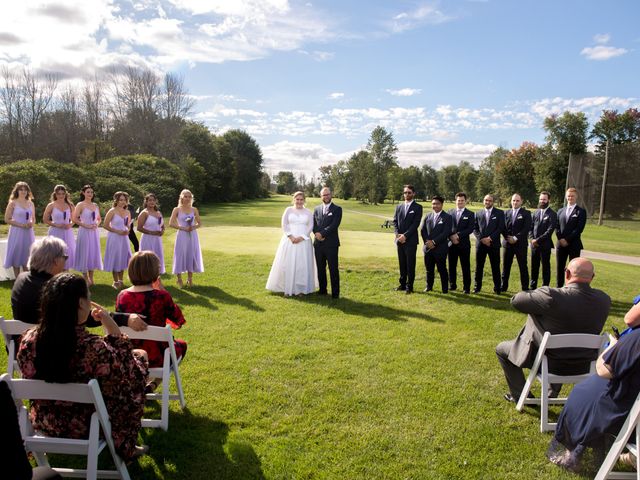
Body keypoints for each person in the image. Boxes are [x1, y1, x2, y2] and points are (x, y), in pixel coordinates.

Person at [17, 273, 149, 461]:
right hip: (89, 427)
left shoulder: (28, 341)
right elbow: (127, 378)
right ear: (80, 303)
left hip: (45, 423)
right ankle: (125, 444)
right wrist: (113, 332)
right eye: (88, 296)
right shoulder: (94, 348)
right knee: (137, 367)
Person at [496, 258, 611, 403]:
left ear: (567, 273)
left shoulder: (550, 296)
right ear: (592, 277)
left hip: (549, 363)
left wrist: (540, 292)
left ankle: (520, 395)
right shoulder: (604, 300)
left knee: (501, 349)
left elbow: (516, 300)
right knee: (559, 338)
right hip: (584, 364)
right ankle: (551, 392)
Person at [547, 302, 640, 472]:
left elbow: (603, 370)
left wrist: (612, 348)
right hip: (626, 404)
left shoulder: (637, 339)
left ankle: (576, 454)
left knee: (583, 400)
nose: (634, 306)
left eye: (637, 303)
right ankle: (630, 457)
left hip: (622, 413)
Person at [11, 237, 147, 330]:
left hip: (22, 350)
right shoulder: (54, 289)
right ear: (55, 261)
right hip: (50, 353)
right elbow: (85, 317)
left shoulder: (22, 278)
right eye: (65, 257)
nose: (66, 262)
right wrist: (125, 319)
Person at [116, 251, 187, 380]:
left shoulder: (122, 296)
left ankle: (147, 385)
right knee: (181, 345)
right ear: (155, 272)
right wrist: (163, 290)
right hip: (158, 358)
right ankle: (152, 385)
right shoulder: (161, 296)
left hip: (131, 354)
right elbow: (179, 321)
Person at [266, 191, 317, 296]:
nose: (299, 201)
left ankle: (301, 289)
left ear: (304, 200)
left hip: (304, 242)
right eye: (297, 199)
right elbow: (284, 224)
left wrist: (301, 237)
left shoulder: (308, 212)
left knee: (301, 266)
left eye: (301, 199)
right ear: (294, 199)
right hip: (289, 241)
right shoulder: (288, 210)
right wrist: (291, 236)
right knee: (287, 264)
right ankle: (286, 288)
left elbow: (310, 226)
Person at [169, 189, 203, 288]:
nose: (187, 198)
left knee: (191, 254)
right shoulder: (177, 209)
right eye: (186, 196)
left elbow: (199, 223)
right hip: (182, 235)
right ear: (181, 198)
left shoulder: (194, 209)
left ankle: (190, 279)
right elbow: (171, 223)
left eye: (189, 197)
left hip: (192, 235)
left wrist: (193, 227)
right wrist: (183, 228)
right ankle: (179, 279)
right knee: (180, 254)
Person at [392, 184, 423, 294]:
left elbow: (415, 224)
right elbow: (395, 222)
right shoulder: (399, 207)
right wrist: (397, 235)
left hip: (410, 241)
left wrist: (405, 235)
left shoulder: (418, 207)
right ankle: (402, 284)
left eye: (409, 192)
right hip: (399, 240)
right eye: (405, 192)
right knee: (402, 263)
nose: (407, 194)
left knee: (410, 264)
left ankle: (410, 287)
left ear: (413, 194)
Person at [313, 187, 342, 299]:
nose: (326, 197)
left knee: (333, 269)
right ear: (321, 197)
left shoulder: (337, 209)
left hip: (331, 244)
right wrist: (317, 234)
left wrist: (323, 234)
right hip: (318, 244)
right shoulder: (316, 209)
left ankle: (335, 293)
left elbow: (334, 225)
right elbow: (313, 224)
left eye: (327, 194)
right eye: (323, 195)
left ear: (331, 195)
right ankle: (322, 290)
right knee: (320, 268)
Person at [473, 194, 504, 294]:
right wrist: (482, 239)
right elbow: (475, 228)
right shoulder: (478, 213)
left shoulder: (499, 213)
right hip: (480, 245)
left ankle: (497, 288)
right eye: (486, 200)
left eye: (490, 201)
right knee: (479, 267)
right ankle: (477, 287)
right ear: (483, 201)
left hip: (493, 244)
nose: (488, 202)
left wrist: (490, 238)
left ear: (493, 202)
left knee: (495, 267)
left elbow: (500, 228)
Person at [3, 181, 36, 278]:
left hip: (28, 232)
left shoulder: (31, 203)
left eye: (25, 189)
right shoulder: (12, 203)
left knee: (27, 254)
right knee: (17, 254)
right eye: (21, 189)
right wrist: (21, 225)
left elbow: (33, 218)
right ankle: (17, 280)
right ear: (16, 191)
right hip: (16, 231)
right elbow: (7, 219)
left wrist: (31, 223)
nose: (23, 191)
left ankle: (27, 280)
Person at [500, 193, 532, 293]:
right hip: (507, 244)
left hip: (520, 244)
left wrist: (515, 238)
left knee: (523, 266)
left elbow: (526, 228)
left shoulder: (526, 213)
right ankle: (503, 287)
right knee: (506, 266)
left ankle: (525, 287)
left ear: (521, 201)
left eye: (517, 200)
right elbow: (502, 227)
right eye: (513, 200)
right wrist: (507, 237)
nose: (515, 202)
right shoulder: (506, 213)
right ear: (511, 201)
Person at [420, 195, 451, 293]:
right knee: (429, 269)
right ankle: (429, 286)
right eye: (433, 204)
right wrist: (427, 242)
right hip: (428, 248)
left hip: (440, 248)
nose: (435, 206)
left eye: (437, 204)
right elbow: (422, 230)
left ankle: (445, 289)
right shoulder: (427, 216)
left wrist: (434, 242)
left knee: (442, 269)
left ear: (442, 205)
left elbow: (446, 232)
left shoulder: (447, 217)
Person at [556, 187, 586, 288]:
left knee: (573, 268)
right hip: (560, 244)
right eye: (568, 196)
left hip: (574, 244)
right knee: (560, 267)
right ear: (566, 196)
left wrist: (567, 240)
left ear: (576, 197)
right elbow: (556, 227)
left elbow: (579, 229)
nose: (570, 197)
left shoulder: (581, 211)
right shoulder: (560, 211)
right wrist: (560, 239)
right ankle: (559, 287)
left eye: (572, 196)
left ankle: (571, 288)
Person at [72, 185, 102, 286]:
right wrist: (85, 225)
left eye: (91, 192)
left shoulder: (95, 205)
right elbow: (74, 219)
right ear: (83, 193)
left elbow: (99, 219)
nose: (90, 194)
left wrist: (96, 225)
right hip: (84, 231)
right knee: (85, 252)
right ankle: (85, 278)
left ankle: (91, 278)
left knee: (92, 253)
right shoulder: (80, 204)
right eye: (88, 192)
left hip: (94, 232)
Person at [103, 191, 133, 290]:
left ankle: (121, 280)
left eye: (124, 200)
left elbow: (128, 225)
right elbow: (105, 225)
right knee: (115, 257)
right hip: (114, 237)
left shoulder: (128, 212)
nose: (123, 202)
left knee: (123, 257)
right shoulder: (112, 211)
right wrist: (117, 231)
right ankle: (115, 281)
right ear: (116, 200)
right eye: (120, 200)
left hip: (124, 238)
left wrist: (128, 230)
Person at [42, 184, 76, 270]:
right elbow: (45, 219)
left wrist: (70, 224)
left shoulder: (70, 205)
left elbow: (74, 219)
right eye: (59, 193)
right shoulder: (51, 205)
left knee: (67, 252)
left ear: (65, 194)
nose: (61, 195)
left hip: (67, 232)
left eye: (63, 193)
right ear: (55, 194)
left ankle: (66, 276)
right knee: (55, 253)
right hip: (55, 232)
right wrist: (56, 224)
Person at [529, 191, 557, 289]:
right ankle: (532, 287)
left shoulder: (553, 214)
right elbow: (530, 227)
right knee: (534, 267)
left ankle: (545, 287)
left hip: (545, 245)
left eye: (544, 199)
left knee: (545, 267)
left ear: (548, 200)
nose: (542, 201)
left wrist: (538, 240)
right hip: (534, 245)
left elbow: (550, 231)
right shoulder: (535, 213)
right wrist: (532, 239)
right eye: (541, 199)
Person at [448, 192, 474, 294]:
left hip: (464, 245)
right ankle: (452, 285)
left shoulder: (470, 214)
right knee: (451, 266)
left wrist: (457, 235)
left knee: (465, 266)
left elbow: (470, 229)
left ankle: (466, 288)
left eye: (462, 200)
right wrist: (451, 236)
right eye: (458, 200)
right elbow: (447, 227)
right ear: (456, 201)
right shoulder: (450, 212)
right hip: (451, 244)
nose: (460, 202)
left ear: (465, 201)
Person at [137, 193, 166, 277]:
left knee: (157, 257)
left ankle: (155, 276)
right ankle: (145, 275)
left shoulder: (158, 213)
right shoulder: (144, 213)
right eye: (150, 200)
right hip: (147, 239)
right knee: (147, 258)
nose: (152, 202)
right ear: (146, 202)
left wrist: (162, 231)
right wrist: (152, 232)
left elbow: (163, 226)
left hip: (157, 239)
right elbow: (139, 228)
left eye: (153, 200)